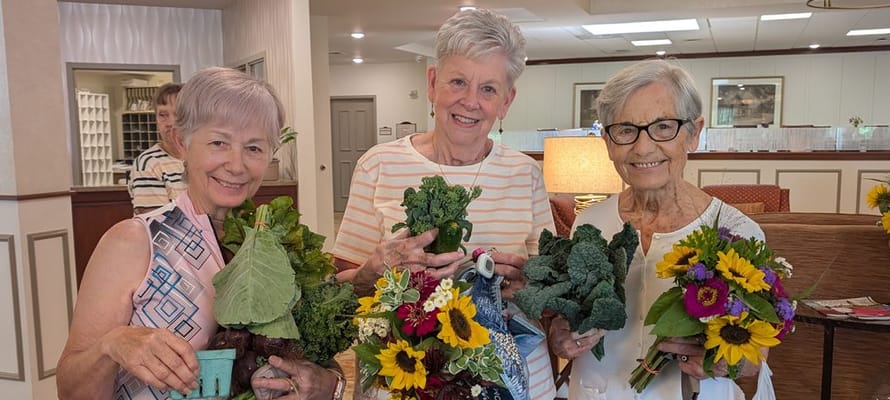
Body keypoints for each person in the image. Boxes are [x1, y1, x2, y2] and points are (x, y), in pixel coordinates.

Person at [57, 67, 342, 400]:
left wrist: (329, 386)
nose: (237, 165)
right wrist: (113, 344)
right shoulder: (133, 242)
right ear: (182, 143)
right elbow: (70, 389)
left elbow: (321, 358)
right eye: (219, 142)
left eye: (254, 148)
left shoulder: (283, 245)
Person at [332, 8, 557, 400]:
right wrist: (374, 271)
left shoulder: (526, 173)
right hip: (405, 380)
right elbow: (340, 291)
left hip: (515, 383)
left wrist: (526, 284)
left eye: (489, 89)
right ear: (433, 83)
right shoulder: (378, 165)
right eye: (458, 82)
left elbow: (551, 288)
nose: (470, 102)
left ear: (507, 101)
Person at [547, 59, 767, 399]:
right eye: (625, 129)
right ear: (607, 142)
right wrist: (560, 336)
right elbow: (566, 324)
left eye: (663, 126)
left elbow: (756, 357)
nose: (643, 147)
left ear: (694, 133)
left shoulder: (736, 232)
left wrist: (721, 361)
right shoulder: (589, 223)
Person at [128, 82, 187, 214]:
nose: (171, 123)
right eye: (163, 115)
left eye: (178, 114)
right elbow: (158, 226)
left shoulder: (204, 157)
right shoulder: (148, 163)